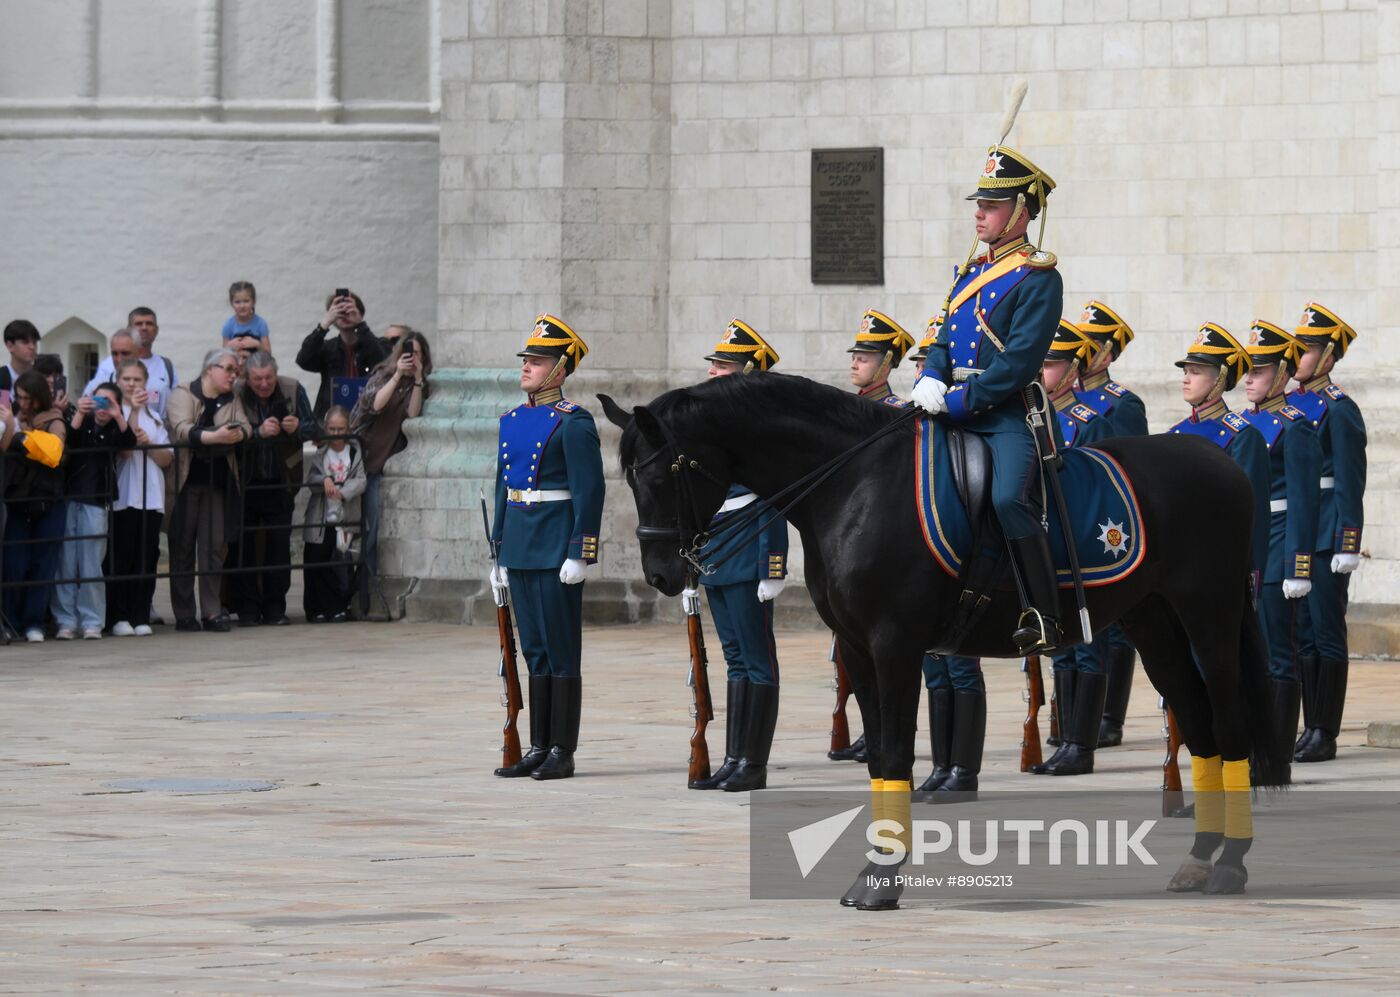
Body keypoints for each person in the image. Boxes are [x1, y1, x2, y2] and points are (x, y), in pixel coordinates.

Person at [909, 140, 1064, 655]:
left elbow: (1018, 363)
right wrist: (930, 376)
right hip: (951, 406)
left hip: (1004, 415)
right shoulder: (971, 271)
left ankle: (1043, 614)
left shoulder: (1039, 278)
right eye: (979, 204)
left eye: (991, 205)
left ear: (1021, 211)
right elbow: (943, 340)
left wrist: (955, 402)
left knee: (1008, 499)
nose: (980, 213)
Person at [489, 314, 604, 781]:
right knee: (534, 648)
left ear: (559, 370)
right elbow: (502, 487)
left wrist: (581, 551)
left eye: (536, 362)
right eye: (527, 360)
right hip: (519, 544)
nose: (527, 368)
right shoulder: (511, 420)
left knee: (560, 650)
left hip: (556, 545)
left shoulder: (573, 423)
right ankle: (538, 745)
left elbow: (590, 490)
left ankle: (563, 748)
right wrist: (498, 551)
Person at [679, 320, 788, 793]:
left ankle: (754, 763)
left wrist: (773, 566)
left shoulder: (761, 431)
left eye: (723, 367)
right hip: (718, 550)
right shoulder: (714, 428)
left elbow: (774, 497)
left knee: (756, 659)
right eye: (714, 365)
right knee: (734, 660)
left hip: (749, 551)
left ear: (746, 375)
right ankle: (733, 757)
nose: (712, 374)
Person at [827, 309, 916, 765]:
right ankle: (871, 732)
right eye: (857, 355)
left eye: (867, 357)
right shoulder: (847, 414)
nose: (856, 363)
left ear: (886, 365)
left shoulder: (898, 414)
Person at [905, 325, 987, 798]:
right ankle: (940, 766)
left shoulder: (959, 425)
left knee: (961, 667)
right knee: (934, 668)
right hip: (923, 563)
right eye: (917, 366)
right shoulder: (914, 422)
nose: (920, 372)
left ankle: (965, 770)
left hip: (960, 556)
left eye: (927, 364)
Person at [1027, 320, 1110, 776]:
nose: (1044, 371)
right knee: (1062, 646)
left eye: (1053, 364)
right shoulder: (1034, 414)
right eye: (1040, 363)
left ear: (1074, 369)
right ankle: (1065, 737)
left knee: (1088, 644)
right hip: (1048, 539)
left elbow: (1097, 489)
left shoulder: (1088, 420)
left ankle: (1082, 744)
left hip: (1083, 539)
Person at [1287, 303, 1366, 763]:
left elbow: (1350, 479)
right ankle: (1305, 725)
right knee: (1301, 638)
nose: (1300, 356)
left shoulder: (1339, 410)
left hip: (1326, 535)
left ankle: (1323, 730)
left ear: (1330, 357)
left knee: (1326, 633)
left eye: (1310, 348)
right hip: (1296, 531)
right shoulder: (1288, 407)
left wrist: (1348, 542)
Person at [1239, 320, 1321, 758]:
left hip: (1278, 546)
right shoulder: (1240, 425)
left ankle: (1277, 747)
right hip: (1249, 548)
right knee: (1252, 655)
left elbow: (1305, 501)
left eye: (1261, 370)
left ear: (1285, 374)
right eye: (1247, 370)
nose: (1249, 378)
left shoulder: (1296, 426)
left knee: (1279, 655)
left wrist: (1298, 567)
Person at [1073, 301, 1148, 748]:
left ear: (1106, 353)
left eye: (1089, 347)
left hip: (1111, 526)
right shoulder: (1068, 401)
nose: (1079, 355)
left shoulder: (1122, 404)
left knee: (1116, 626)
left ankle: (1110, 716)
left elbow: (1133, 472)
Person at [166, 348, 250, 632]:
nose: (233, 375)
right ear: (209, 370)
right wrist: (216, 436)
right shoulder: (183, 393)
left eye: (236, 371)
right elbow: (181, 428)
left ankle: (212, 612)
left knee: (214, 548)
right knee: (183, 547)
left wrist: (231, 434)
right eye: (228, 369)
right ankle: (184, 613)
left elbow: (245, 428)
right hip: (186, 483)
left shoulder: (232, 398)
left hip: (218, 485)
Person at [230, 352, 316, 627]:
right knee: (243, 548)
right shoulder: (237, 393)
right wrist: (256, 433)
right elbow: (227, 429)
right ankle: (247, 609)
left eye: (268, 378)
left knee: (279, 548)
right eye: (258, 379)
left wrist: (298, 427)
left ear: (275, 374)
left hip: (282, 482)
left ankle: (275, 608)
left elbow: (316, 428)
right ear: (247, 377)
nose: (264, 384)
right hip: (245, 482)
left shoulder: (292, 388)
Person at [349, 330, 432, 614]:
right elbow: (374, 405)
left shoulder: (419, 384)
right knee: (358, 531)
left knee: (372, 531)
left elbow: (412, 416)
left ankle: (367, 589)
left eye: (418, 353)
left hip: (383, 462)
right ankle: (357, 588)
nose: (412, 358)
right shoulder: (383, 375)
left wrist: (418, 379)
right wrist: (397, 374)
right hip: (362, 460)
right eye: (408, 352)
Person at [52, 382, 136, 640]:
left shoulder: (114, 429)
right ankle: (65, 620)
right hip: (70, 497)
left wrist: (118, 415)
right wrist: (79, 413)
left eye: (108, 402)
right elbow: (71, 444)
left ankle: (92, 620)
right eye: (98, 401)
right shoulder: (80, 423)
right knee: (66, 562)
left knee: (91, 563)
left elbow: (129, 442)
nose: (102, 408)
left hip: (97, 499)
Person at [1, 370, 66, 642]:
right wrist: (14, 430)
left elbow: (54, 454)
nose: (23, 403)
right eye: (20, 397)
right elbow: (5, 448)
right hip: (19, 499)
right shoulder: (13, 418)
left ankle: (34, 622)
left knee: (43, 563)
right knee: (14, 562)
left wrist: (22, 437)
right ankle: (12, 619)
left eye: (27, 398)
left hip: (47, 498)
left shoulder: (54, 421)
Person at [110, 359, 172, 636]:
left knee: (147, 557)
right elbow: (124, 450)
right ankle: (119, 615)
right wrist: (133, 413)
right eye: (127, 379)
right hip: (124, 497)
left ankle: (140, 613)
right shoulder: (116, 415)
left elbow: (166, 458)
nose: (133, 384)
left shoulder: (155, 418)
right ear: (118, 381)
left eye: (137, 380)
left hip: (151, 497)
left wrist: (149, 444)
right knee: (123, 556)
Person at [303, 406, 364, 623]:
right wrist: (325, 480)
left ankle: (337, 606)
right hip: (321, 516)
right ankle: (315, 608)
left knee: (339, 562)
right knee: (315, 559)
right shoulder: (320, 454)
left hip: (344, 514)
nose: (336, 434)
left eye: (340, 429)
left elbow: (360, 480)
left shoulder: (356, 453)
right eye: (332, 429)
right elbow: (311, 480)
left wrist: (342, 492)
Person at [296, 290, 387, 418]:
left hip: (366, 420)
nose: (345, 315)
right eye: (339, 311)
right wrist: (323, 326)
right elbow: (303, 360)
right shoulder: (327, 348)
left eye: (349, 310)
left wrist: (360, 325)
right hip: (332, 422)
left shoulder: (376, 344)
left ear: (360, 313)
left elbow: (383, 364)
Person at [85, 311, 178, 419]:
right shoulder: (96, 386)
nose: (119, 359)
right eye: (115, 353)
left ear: (139, 352)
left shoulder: (159, 388)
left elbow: (166, 424)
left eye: (125, 353)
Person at [222, 281, 271, 353]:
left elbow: (268, 353)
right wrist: (229, 345)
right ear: (231, 303)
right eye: (237, 302)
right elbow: (223, 354)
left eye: (246, 301)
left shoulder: (261, 324)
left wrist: (257, 344)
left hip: (256, 363)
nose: (242, 306)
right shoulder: (228, 325)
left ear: (254, 301)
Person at [2, 319, 41, 394]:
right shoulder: (2, 377)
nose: (32, 347)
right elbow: (4, 404)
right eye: (25, 342)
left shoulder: (41, 377)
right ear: (10, 346)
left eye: (34, 342)